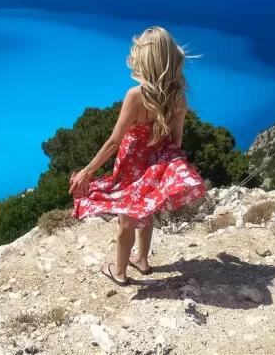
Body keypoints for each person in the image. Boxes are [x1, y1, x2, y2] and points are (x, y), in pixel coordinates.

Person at [69, 26, 206, 286]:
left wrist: (88, 171)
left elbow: (113, 142)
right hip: (154, 165)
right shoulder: (178, 98)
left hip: (131, 165)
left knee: (126, 220)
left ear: (145, 59)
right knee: (145, 210)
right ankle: (142, 259)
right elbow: (176, 140)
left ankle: (119, 271)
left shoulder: (136, 96)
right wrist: (161, 165)